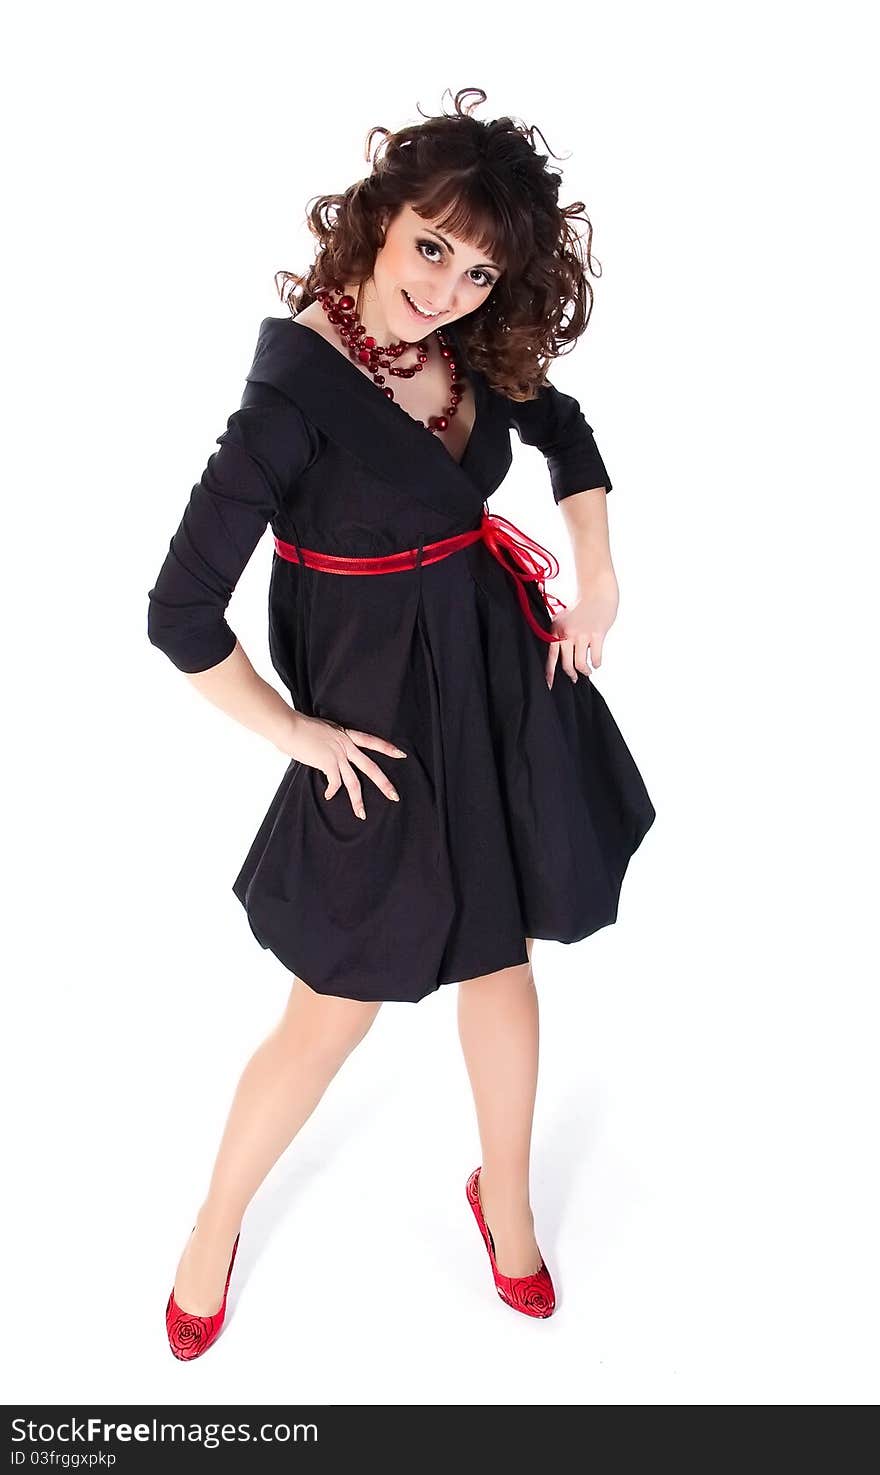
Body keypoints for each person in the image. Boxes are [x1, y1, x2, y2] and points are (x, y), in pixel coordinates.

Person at [148, 88, 656, 1360]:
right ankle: (214, 1222)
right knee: (331, 1002)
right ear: (377, 222)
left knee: (502, 961)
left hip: (490, 673)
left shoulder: (473, 349)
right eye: (430, 246)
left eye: (479, 268)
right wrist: (295, 733)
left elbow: (568, 431)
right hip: (375, 723)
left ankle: (509, 1205)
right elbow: (178, 611)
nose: (445, 288)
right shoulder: (295, 398)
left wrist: (598, 576)